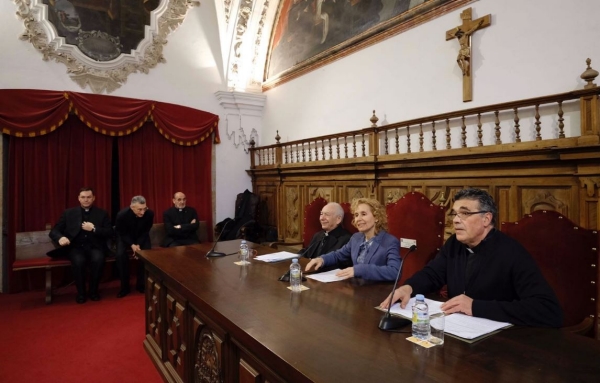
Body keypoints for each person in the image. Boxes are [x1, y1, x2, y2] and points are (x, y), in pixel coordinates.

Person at [379, 188, 563, 327]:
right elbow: (433, 274)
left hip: (503, 346)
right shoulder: (455, 244)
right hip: (458, 334)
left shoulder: (511, 252)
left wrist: (476, 307)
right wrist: (408, 288)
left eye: (465, 213)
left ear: (486, 219)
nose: (456, 220)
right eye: (455, 214)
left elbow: (548, 310)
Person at [305, 198, 400, 281]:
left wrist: (359, 270)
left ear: (376, 217)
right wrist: (322, 259)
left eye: (363, 214)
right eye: (356, 215)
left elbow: (395, 271)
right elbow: (338, 255)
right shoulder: (356, 238)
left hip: (376, 292)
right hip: (357, 288)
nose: (358, 219)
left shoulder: (390, 241)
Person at [49, 187, 113, 304]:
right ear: (79, 198)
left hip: (95, 246)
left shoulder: (102, 213)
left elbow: (109, 232)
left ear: (93, 198)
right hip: (75, 247)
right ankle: (81, 293)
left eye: (89, 197)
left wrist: (94, 229)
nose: (86, 200)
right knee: (78, 262)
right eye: (83, 197)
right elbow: (54, 231)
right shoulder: (68, 213)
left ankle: (93, 292)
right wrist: (61, 238)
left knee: (98, 259)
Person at [115, 195, 154, 298]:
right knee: (120, 255)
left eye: (144, 208)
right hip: (125, 237)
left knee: (146, 255)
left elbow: (146, 231)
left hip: (141, 236)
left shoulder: (149, 214)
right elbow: (121, 233)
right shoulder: (121, 215)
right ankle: (125, 287)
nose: (143, 212)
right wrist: (132, 245)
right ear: (132, 207)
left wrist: (138, 245)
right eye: (139, 209)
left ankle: (141, 285)